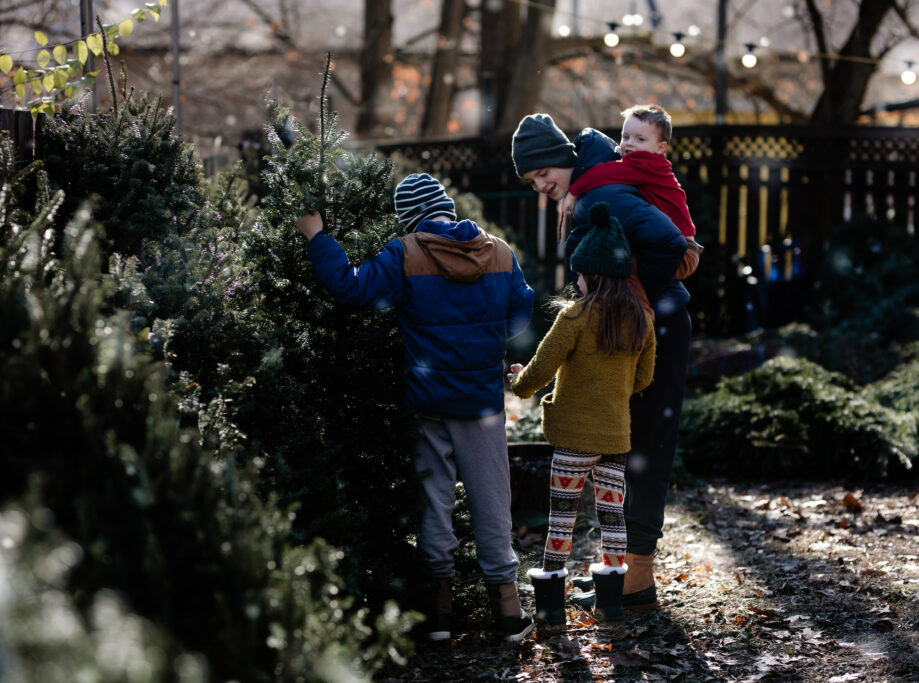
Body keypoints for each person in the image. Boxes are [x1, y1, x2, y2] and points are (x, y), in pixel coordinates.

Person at [295, 172, 536, 643]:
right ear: (447, 208)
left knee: (434, 504)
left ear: (410, 217)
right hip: (483, 405)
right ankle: (509, 613)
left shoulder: (404, 253)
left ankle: (439, 615)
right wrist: (483, 344)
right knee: (492, 504)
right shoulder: (501, 253)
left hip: (428, 407)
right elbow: (522, 314)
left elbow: (352, 289)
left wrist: (316, 236)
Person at [511, 113, 690, 612]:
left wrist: (638, 303)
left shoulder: (598, 194)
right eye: (530, 181)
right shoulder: (590, 187)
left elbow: (670, 243)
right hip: (642, 327)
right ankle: (626, 574)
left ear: (562, 157)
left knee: (646, 446)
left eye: (541, 172)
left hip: (657, 328)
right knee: (626, 450)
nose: (540, 185)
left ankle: (638, 578)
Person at [507, 201, 656, 628]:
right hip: (615, 440)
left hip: (572, 439)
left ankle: (552, 610)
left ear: (591, 272)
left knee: (560, 521)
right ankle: (611, 605)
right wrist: (612, 388)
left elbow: (542, 366)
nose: (575, 278)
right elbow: (643, 380)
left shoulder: (573, 316)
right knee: (613, 520)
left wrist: (518, 384)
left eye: (579, 271)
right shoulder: (642, 319)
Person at [559, 104, 703, 281]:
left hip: (681, 252)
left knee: (626, 271)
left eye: (640, 139)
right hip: (679, 247)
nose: (629, 143)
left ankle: (639, 307)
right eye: (625, 137)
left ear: (660, 148)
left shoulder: (645, 165)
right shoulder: (649, 166)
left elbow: (603, 173)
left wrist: (573, 192)